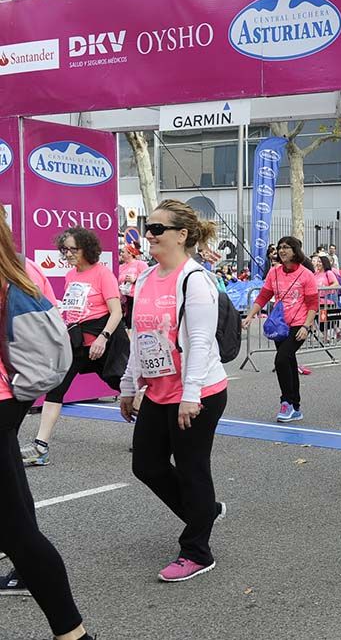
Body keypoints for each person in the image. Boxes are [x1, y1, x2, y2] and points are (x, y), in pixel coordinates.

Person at [118, 199, 229, 583]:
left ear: (181, 235)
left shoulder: (194, 279)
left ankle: (197, 550)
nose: (149, 235)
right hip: (159, 389)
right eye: (148, 228)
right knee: (145, 464)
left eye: (157, 229)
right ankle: (204, 512)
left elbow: (199, 340)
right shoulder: (146, 279)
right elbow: (141, 338)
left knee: (193, 468)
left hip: (198, 391)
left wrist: (191, 394)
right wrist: (128, 386)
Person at [0, 213, 96, 638]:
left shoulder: (18, 271)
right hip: (8, 403)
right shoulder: (18, 267)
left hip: (7, 400)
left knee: (18, 531)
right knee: (18, 529)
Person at [21, 228, 123, 467]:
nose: (67, 254)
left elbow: (117, 311)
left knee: (123, 388)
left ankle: (158, 431)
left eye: (72, 249)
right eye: (64, 249)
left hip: (102, 344)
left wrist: (103, 338)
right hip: (77, 344)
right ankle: (40, 447)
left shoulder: (103, 273)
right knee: (56, 389)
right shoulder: (71, 276)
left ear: (87, 248)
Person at [241, 237, 318, 423]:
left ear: (295, 251)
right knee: (289, 362)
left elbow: (313, 303)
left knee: (281, 359)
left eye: (286, 247)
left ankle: (286, 402)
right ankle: (296, 407)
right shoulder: (274, 272)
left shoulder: (306, 274)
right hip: (280, 324)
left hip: (299, 324)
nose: (282, 251)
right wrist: (250, 315)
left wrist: (306, 326)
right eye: (280, 248)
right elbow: (264, 296)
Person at [118, 243, 148, 331]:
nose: (121, 254)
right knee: (127, 323)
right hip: (124, 299)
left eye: (123, 252)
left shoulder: (140, 264)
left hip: (137, 298)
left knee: (134, 323)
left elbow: (148, 280)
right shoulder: (121, 267)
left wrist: (135, 280)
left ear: (130, 253)